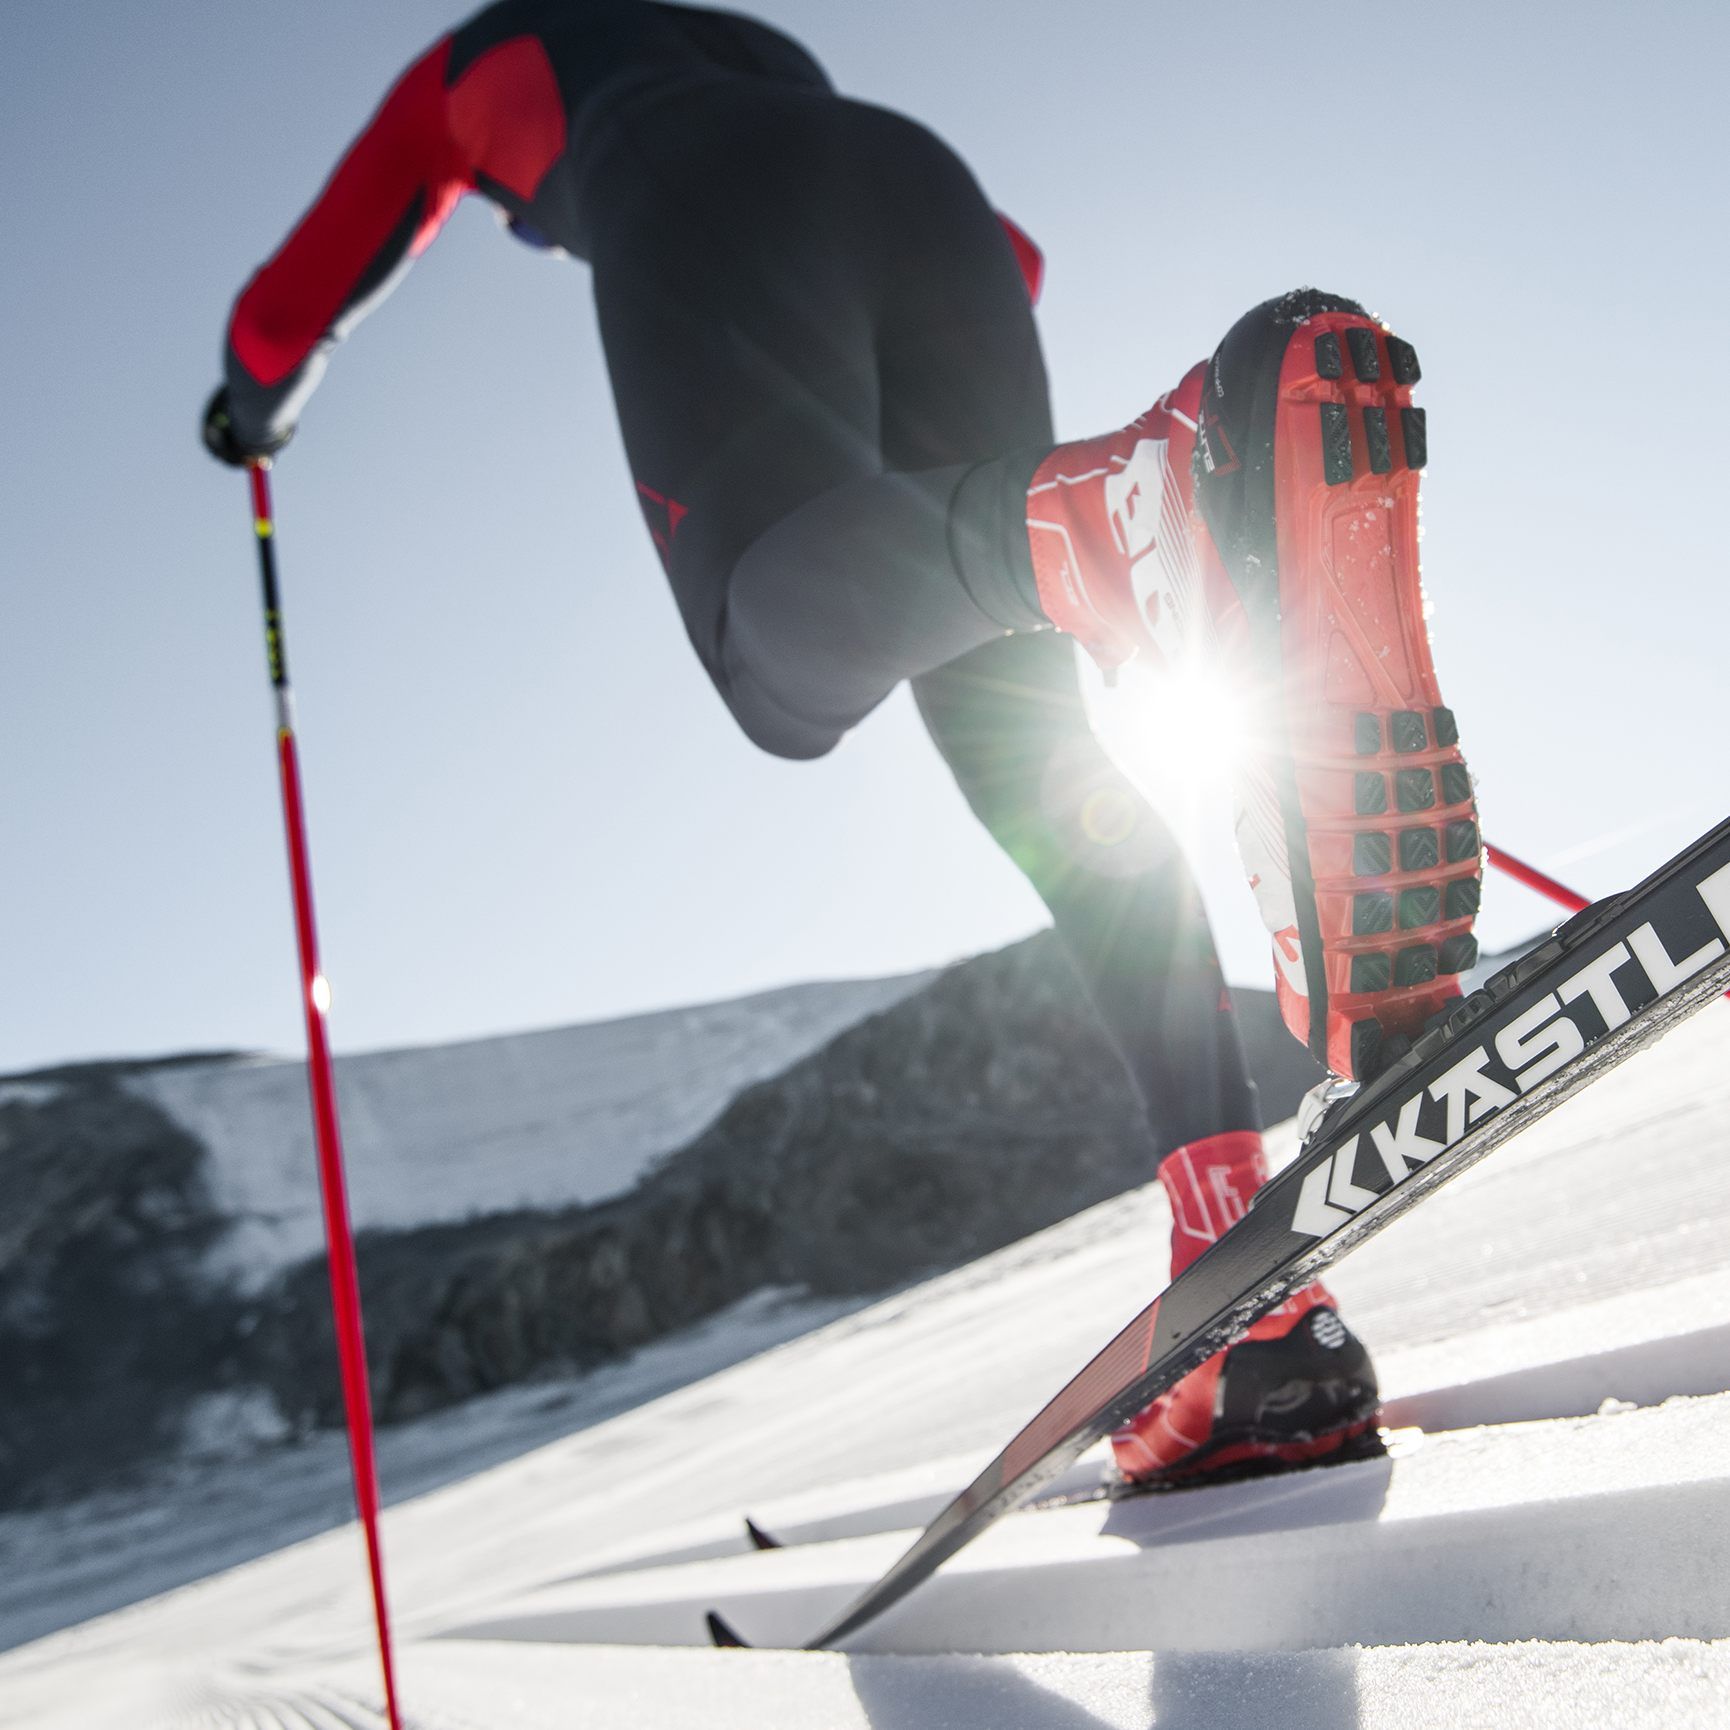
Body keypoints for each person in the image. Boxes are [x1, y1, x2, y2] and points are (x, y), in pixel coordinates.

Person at [204, 0, 1480, 1483]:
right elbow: (1012, 262)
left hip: (698, 195)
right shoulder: (732, 37)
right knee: (1036, 762)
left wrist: (251, 416)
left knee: (770, 659)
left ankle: (1131, 510)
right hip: (935, 205)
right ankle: (1246, 1293)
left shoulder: (492, 57)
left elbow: (283, 311)